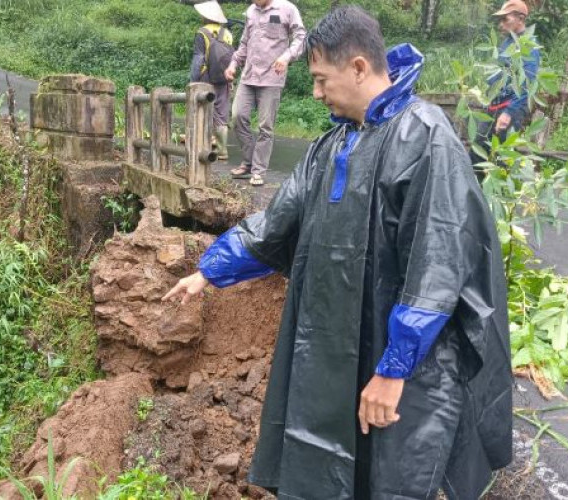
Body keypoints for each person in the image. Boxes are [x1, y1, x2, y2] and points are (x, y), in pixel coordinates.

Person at [164, 6, 512, 499]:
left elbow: (438, 265)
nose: (317, 92)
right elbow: (277, 221)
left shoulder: (426, 137)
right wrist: (208, 271)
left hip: (404, 366)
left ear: (358, 67)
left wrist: (394, 371)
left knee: (390, 472)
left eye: (322, 79)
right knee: (327, 468)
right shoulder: (332, 144)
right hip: (329, 352)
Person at [225, 0, 306, 186]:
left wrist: (286, 57)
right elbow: (244, 42)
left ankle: (258, 169)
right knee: (237, 117)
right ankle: (248, 162)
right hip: (248, 75)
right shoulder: (251, 11)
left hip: (271, 77)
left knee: (265, 126)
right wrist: (232, 64)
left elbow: (301, 36)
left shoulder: (287, 8)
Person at [471, 0, 540, 165]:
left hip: (510, 109)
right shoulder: (507, 42)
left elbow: (527, 84)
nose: (501, 25)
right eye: (500, 20)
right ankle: (475, 189)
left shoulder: (530, 46)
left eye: (505, 19)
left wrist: (509, 113)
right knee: (477, 153)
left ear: (521, 19)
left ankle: (500, 189)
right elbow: (499, 72)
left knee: (503, 158)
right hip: (494, 106)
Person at [189, 1, 233, 161]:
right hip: (224, 78)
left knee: (203, 108)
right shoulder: (227, 34)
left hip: (206, 76)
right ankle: (222, 150)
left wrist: (193, 80)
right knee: (221, 114)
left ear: (205, 16)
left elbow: (198, 58)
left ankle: (203, 145)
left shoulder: (202, 32)